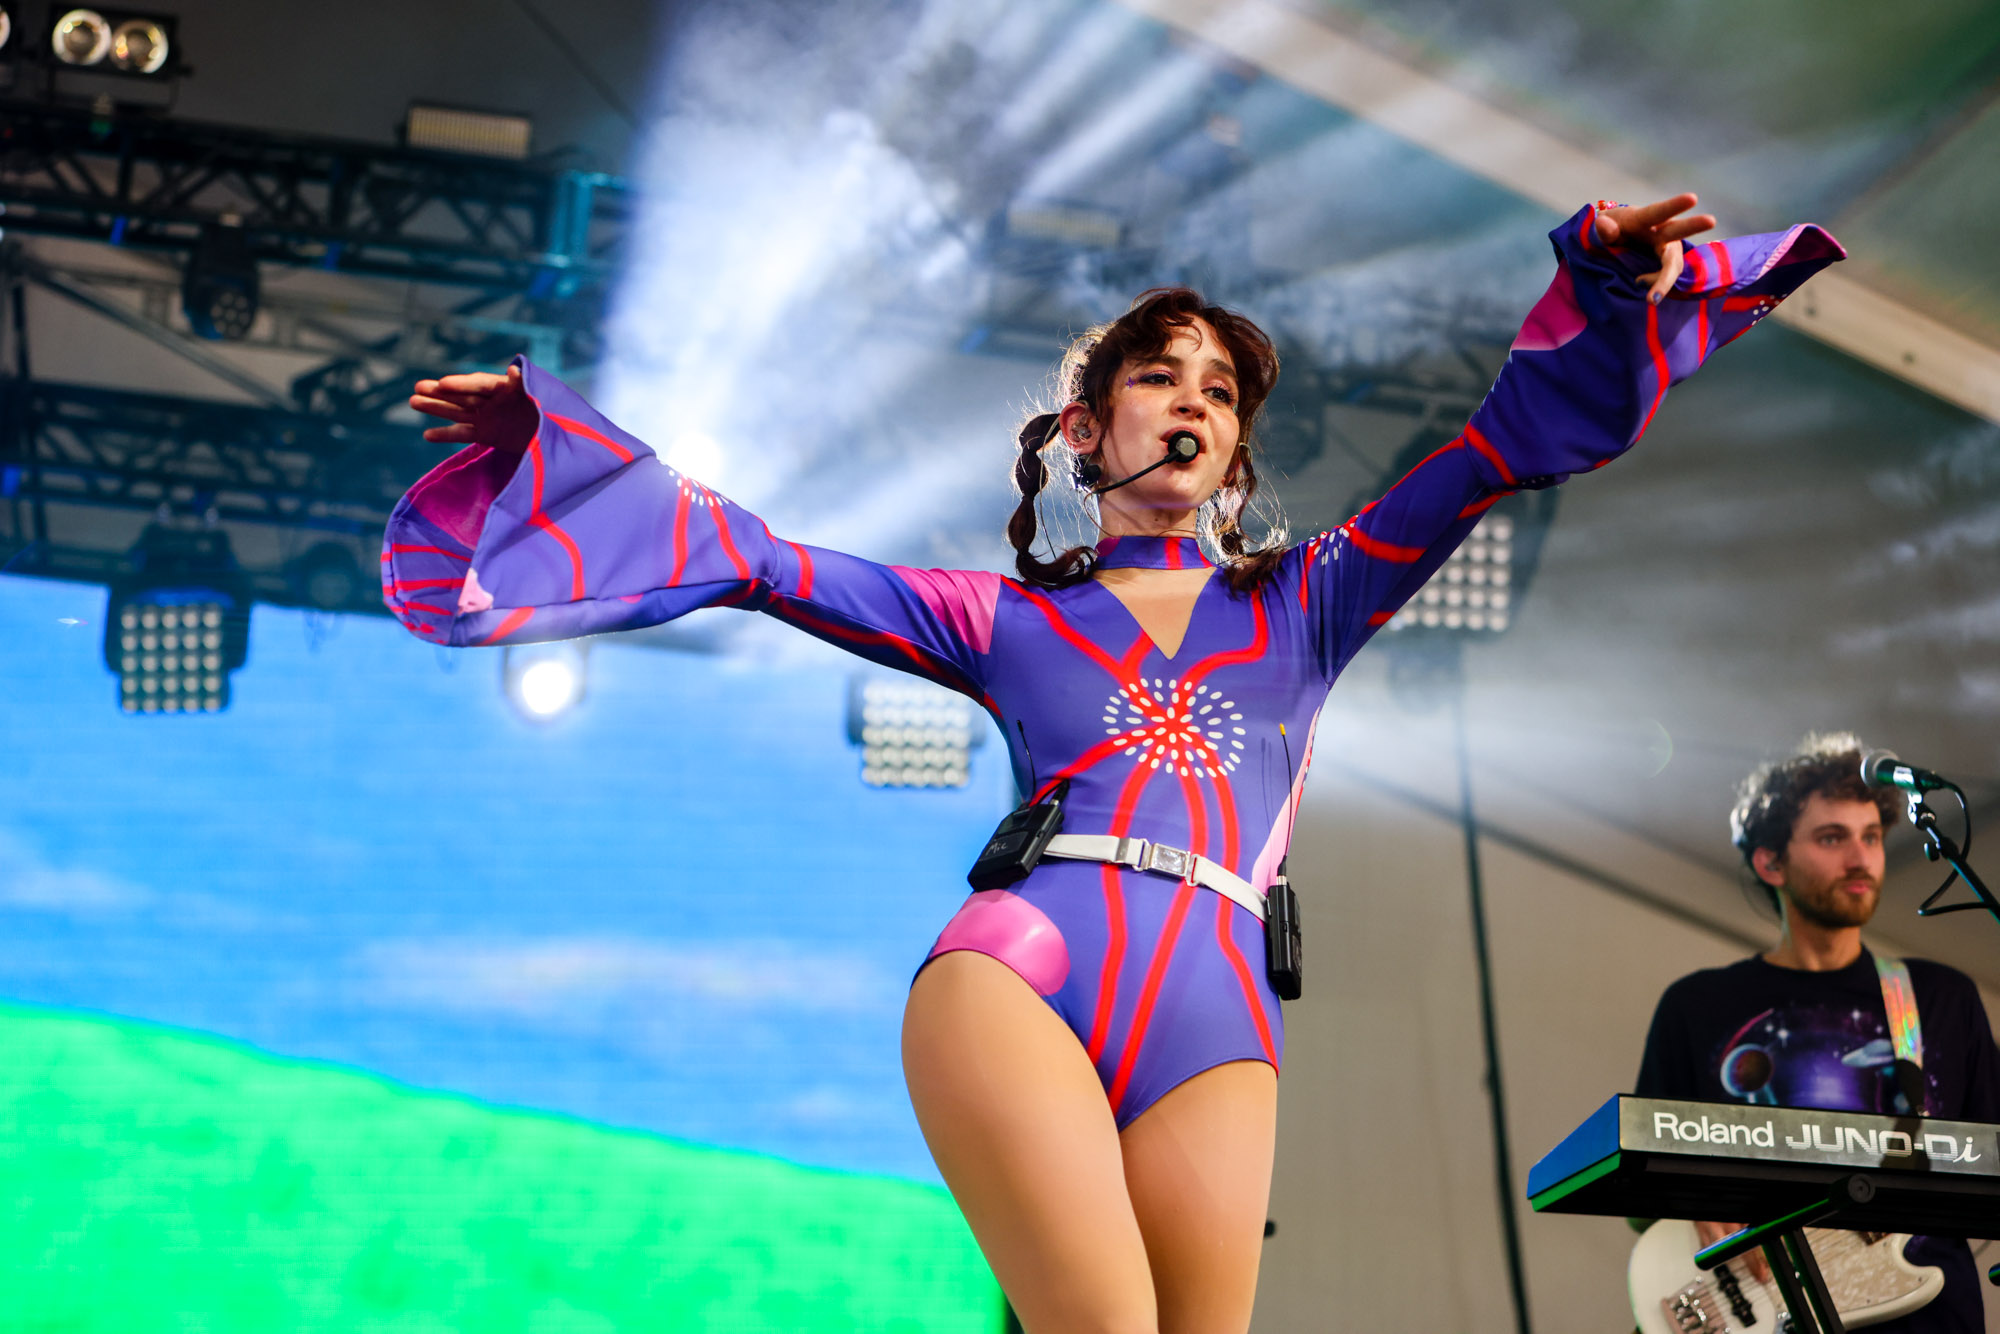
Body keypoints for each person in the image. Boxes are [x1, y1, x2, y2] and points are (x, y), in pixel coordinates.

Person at [388, 194, 1839, 1333]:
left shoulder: (1312, 599)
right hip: (1021, 967)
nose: (1194, 400)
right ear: (1086, 430)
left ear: (1236, 451)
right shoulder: (1001, 615)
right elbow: (758, 558)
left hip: (1221, 1009)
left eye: (1221, 390)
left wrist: (1605, 285)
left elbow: (1494, 449)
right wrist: (558, 450)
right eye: (1159, 376)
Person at [1636, 732, 2000, 1334]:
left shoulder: (1941, 997)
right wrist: (1691, 1200)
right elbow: (1638, 1181)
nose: (1861, 858)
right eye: (1832, 838)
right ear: (1770, 862)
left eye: (1872, 837)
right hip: (1764, 1308)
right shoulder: (1696, 1006)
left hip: (1930, 1319)